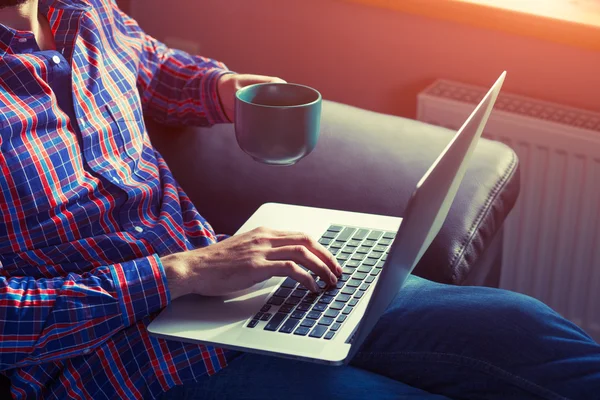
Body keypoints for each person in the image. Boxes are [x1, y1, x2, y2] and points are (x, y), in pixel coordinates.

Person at [0, 0, 599, 399]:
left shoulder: (84, 12)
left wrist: (224, 90)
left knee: (518, 325)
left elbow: (150, 68)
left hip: (230, 281)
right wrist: (180, 272)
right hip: (117, 359)